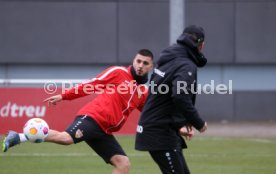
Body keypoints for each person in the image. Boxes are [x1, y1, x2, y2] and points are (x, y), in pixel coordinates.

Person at [2, 49, 154, 174]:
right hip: (93, 118)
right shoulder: (118, 72)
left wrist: (172, 123)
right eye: (138, 61)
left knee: (123, 164)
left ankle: (19, 137)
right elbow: (91, 85)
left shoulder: (143, 91)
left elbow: (151, 112)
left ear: (151, 67)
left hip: (104, 131)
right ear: (133, 61)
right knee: (66, 139)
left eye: (145, 63)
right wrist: (64, 95)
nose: (140, 65)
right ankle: (19, 136)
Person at [135, 25, 208, 174]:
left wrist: (180, 123)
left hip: (161, 130)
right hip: (160, 133)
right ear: (201, 45)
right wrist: (198, 122)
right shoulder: (185, 64)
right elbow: (179, 96)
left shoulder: (168, 58)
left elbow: (164, 97)